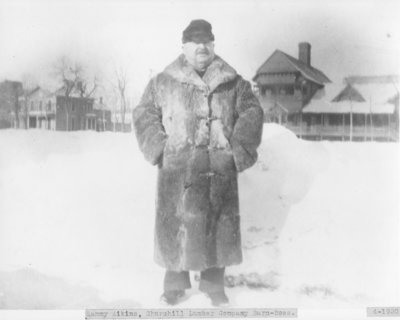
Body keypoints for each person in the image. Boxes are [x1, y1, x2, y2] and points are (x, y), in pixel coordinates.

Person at [132, 19, 263, 306]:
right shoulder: (163, 81)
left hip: (219, 171)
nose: (201, 46)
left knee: (218, 226)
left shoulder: (234, 83)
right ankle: (175, 286)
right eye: (195, 41)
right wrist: (161, 149)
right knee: (175, 225)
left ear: (213, 45)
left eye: (207, 41)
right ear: (184, 46)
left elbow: (252, 113)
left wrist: (235, 149)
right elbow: (144, 114)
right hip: (178, 171)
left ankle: (214, 286)